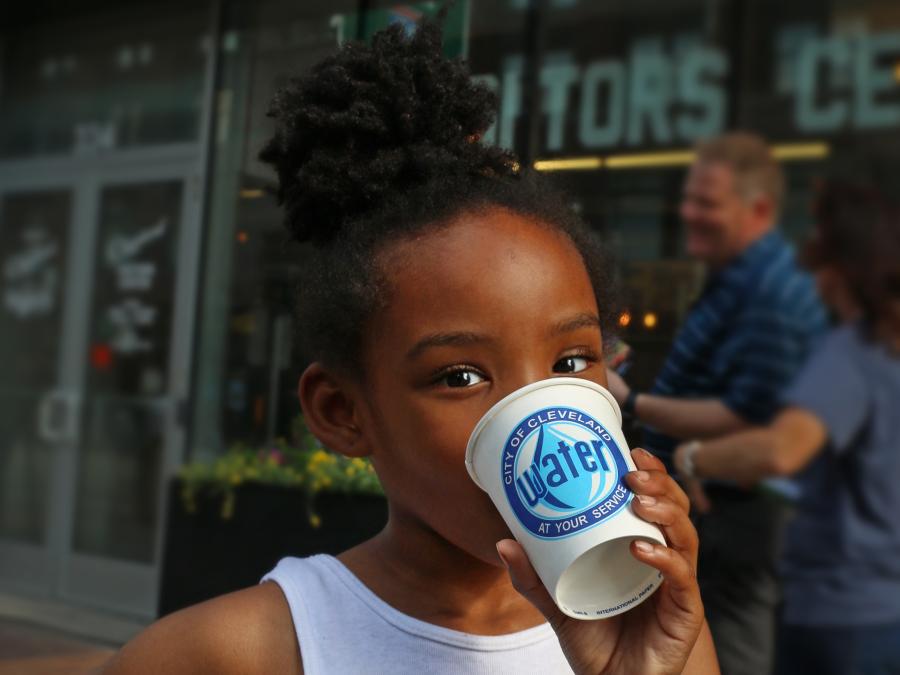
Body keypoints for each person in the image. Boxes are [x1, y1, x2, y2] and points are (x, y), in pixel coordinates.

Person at [99, 21, 718, 675]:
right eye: (460, 375)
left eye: (571, 361)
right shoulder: (245, 649)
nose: (540, 415)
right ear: (343, 411)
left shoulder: (658, 631)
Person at [605, 132, 827, 675]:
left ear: (758, 209)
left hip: (731, 513)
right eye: (688, 199)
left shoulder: (768, 291)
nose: (688, 213)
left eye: (705, 202)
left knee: (726, 651)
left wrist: (633, 399)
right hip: (714, 511)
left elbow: (751, 417)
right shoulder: (740, 279)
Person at [673, 181, 900, 675]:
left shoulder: (852, 353)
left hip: (842, 614)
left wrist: (693, 457)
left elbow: (782, 450)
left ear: (839, 267)